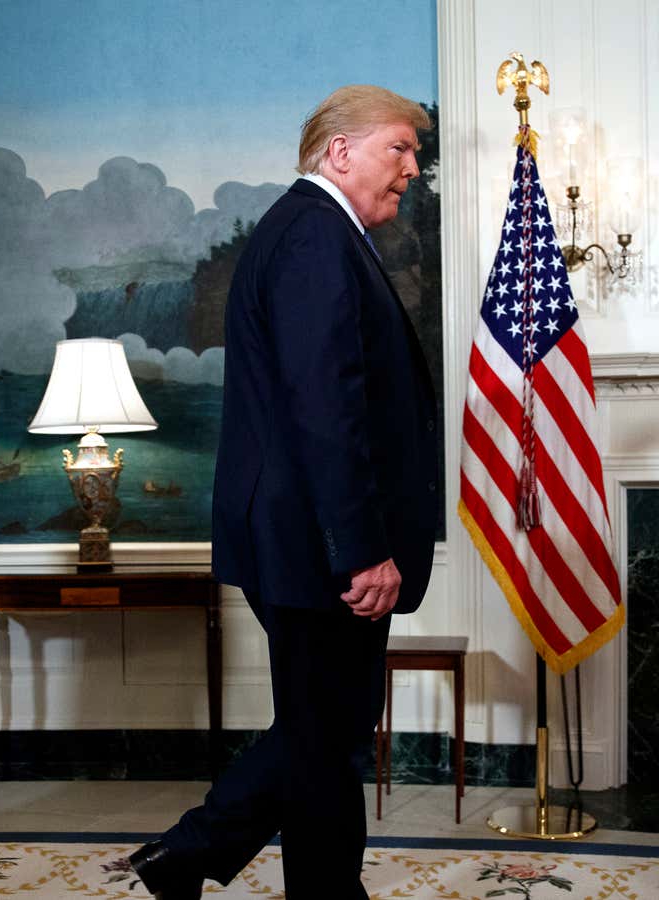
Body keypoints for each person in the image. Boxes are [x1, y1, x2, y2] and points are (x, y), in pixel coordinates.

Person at [128, 85, 438, 898]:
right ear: (341, 151)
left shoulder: (315, 232)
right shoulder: (313, 238)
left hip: (304, 534)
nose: (412, 168)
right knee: (323, 729)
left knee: (326, 736)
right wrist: (363, 547)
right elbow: (326, 408)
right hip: (319, 541)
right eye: (399, 148)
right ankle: (188, 851)